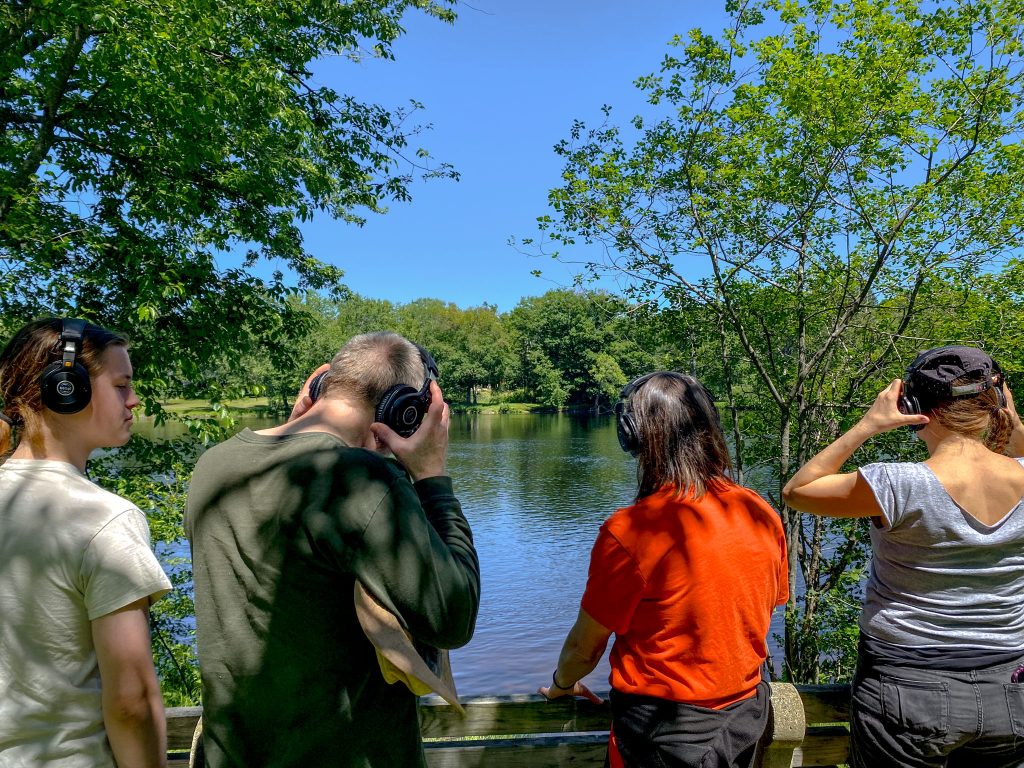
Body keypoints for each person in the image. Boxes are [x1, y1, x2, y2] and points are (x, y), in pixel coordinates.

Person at [185, 331, 480, 768]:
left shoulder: (216, 465)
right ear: (404, 412)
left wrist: (301, 432)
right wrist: (432, 477)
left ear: (322, 384)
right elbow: (453, 617)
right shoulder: (359, 479)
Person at [782, 346, 1024, 768]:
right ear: (998, 401)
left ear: (912, 407)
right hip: (1012, 689)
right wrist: (1012, 418)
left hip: (906, 688)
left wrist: (867, 426)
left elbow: (798, 491)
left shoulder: (897, 483)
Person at [539, 371, 789, 768]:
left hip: (659, 735)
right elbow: (757, 610)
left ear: (633, 436)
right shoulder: (760, 512)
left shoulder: (632, 530)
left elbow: (584, 649)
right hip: (743, 723)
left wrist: (561, 684)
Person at [0, 318, 171, 767]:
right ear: (66, 390)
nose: (133, 400)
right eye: (120, 385)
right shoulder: (102, 519)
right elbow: (131, 702)